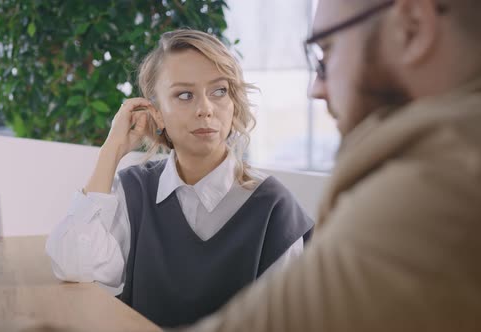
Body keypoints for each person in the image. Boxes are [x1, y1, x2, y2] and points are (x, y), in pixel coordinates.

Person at [168, 0, 481, 331]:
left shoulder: (435, 192)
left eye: (326, 53)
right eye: (183, 95)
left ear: (412, 29)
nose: (315, 88)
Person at [45, 29, 313, 327]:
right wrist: (111, 150)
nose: (205, 109)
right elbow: (74, 264)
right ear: (156, 113)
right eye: (184, 95)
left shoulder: (274, 208)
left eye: (219, 91)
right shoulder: (135, 191)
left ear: (233, 101)